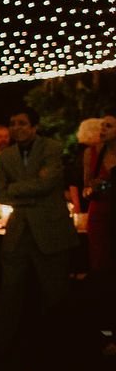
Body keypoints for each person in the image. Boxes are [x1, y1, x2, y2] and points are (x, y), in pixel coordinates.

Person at [0, 107, 79, 359]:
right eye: (12, 123)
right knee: (10, 291)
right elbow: (1, 194)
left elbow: (48, 182)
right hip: (19, 231)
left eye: (22, 123)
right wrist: (32, 191)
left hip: (50, 229)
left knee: (55, 292)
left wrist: (19, 190)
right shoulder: (6, 156)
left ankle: (61, 348)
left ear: (34, 127)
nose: (16, 128)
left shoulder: (51, 147)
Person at [83, 113, 116, 274]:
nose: (103, 129)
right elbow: (85, 190)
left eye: (109, 126)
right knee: (100, 261)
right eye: (102, 125)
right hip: (99, 213)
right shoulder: (91, 153)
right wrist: (92, 188)